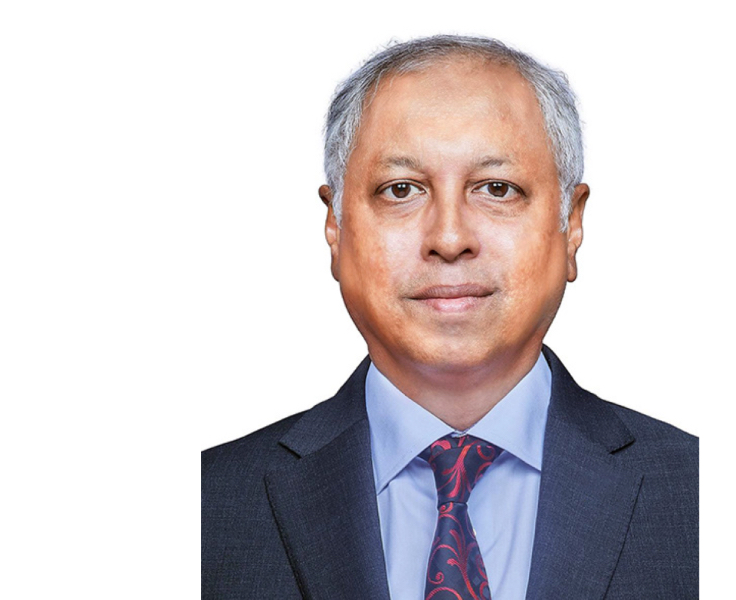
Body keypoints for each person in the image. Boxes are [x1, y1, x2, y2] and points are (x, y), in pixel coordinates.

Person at [202, 35, 698, 600]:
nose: (449, 237)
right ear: (335, 228)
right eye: (401, 190)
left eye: (496, 189)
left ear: (572, 225)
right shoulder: (205, 507)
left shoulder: (701, 497)